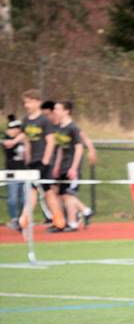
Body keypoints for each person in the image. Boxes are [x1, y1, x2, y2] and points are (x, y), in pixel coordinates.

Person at [14, 90, 65, 231]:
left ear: (37, 102)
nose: (26, 105)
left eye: (29, 101)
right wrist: (26, 156)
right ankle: (59, 220)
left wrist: (45, 162)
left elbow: (50, 142)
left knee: (34, 190)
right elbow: (26, 139)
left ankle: (23, 220)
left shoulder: (44, 120)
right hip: (32, 162)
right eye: (25, 102)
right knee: (46, 191)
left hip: (43, 162)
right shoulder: (26, 120)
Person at [49, 101, 84, 232]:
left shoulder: (73, 128)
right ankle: (61, 222)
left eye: (58, 109)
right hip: (62, 166)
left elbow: (79, 149)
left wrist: (74, 168)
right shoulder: (59, 128)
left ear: (66, 111)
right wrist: (57, 166)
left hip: (71, 167)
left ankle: (73, 222)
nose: (55, 111)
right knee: (59, 194)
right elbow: (60, 149)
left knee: (69, 195)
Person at [3, 115, 26, 229]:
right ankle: (14, 219)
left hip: (25, 172)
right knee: (12, 198)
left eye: (18, 128)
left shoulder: (24, 139)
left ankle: (22, 219)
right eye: (13, 128)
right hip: (12, 172)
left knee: (23, 199)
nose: (16, 130)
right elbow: (9, 147)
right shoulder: (7, 140)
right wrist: (12, 137)